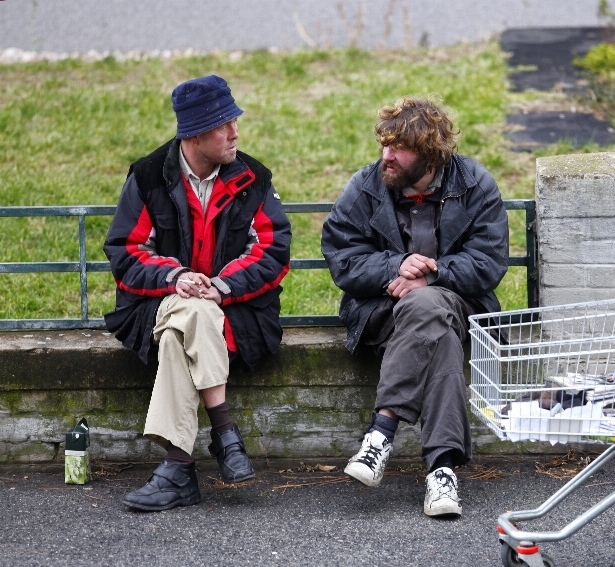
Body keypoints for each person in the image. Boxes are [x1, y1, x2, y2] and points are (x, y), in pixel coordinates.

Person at [103, 75, 291, 511]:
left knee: (181, 332)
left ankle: (178, 469)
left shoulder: (253, 177)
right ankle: (225, 434)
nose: (235, 133)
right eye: (224, 124)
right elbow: (126, 251)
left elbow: (273, 250)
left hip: (239, 312)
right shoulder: (148, 176)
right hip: (156, 304)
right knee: (189, 311)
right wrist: (176, 278)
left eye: (234, 122)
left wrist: (219, 286)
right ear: (195, 134)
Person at [321, 97, 508, 517]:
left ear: (428, 154)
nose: (386, 156)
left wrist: (433, 274)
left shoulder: (475, 184)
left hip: (459, 306)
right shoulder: (366, 186)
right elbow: (342, 256)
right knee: (435, 333)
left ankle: (381, 433)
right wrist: (394, 265)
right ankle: (442, 472)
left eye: (398, 149)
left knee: (429, 306)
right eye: (384, 145)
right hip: (382, 312)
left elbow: (489, 262)